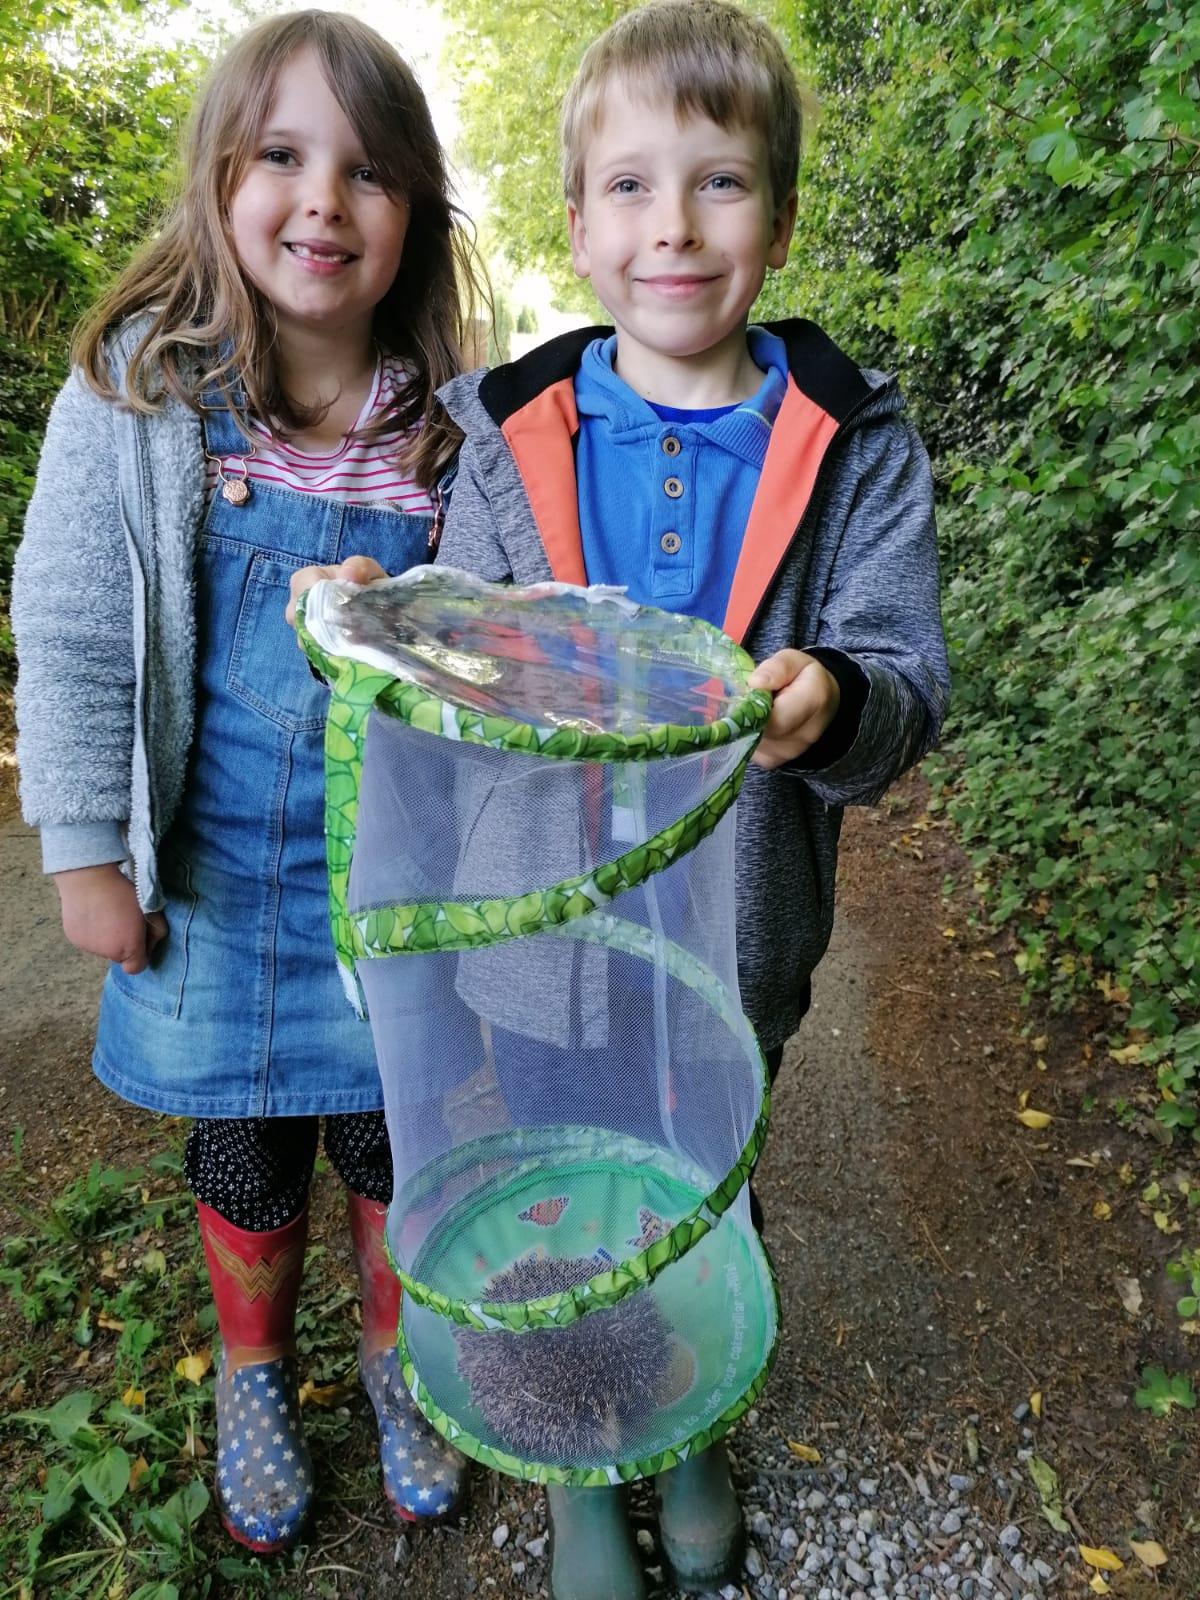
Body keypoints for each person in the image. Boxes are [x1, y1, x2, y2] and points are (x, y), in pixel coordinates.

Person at [291, 1, 949, 1593]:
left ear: (778, 216)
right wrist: (393, 620)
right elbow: (467, 644)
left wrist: (834, 696)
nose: (675, 227)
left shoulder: (855, 444)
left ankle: (689, 1416)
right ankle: (584, 1467)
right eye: (633, 187)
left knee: (700, 1176)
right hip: (542, 951)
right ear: (580, 225)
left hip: (735, 938)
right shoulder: (511, 434)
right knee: (564, 1191)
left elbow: (901, 678)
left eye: (720, 182)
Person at [11, 10, 481, 1555]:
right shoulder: (138, 398)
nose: (322, 199)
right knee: (246, 1140)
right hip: (211, 884)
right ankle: (255, 1369)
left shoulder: (448, 430)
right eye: (282, 155)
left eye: (366, 170)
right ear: (221, 178)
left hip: (391, 889)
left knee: (391, 1132)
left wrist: (410, 612)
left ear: (413, 211)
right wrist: (87, 851)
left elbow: (498, 633)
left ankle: (398, 1354)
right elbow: (77, 631)